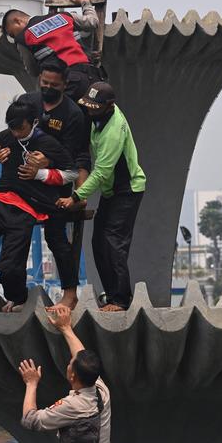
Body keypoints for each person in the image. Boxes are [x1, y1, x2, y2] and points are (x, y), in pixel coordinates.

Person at [0, 98, 77, 312]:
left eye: (20, 128)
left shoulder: (48, 144)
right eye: (11, 128)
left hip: (27, 208)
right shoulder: (4, 138)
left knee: (10, 267)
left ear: (33, 122)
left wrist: (41, 174)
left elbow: (71, 173)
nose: (15, 133)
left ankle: (16, 298)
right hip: (0, 202)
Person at [0, 63, 90, 309]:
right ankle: (15, 294)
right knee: (16, 235)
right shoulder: (28, 102)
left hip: (54, 184)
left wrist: (51, 165)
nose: (48, 88)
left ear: (64, 84)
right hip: (23, 185)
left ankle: (69, 293)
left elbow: (76, 157)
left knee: (56, 237)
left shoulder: (73, 114)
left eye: (54, 85)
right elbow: (11, 133)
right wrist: (2, 154)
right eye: (44, 83)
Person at [57, 82, 146, 312]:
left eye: (95, 107)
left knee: (113, 242)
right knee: (98, 242)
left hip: (127, 190)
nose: (90, 110)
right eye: (89, 105)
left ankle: (121, 300)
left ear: (109, 106)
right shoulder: (99, 117)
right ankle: (111, 294)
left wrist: (75, 197)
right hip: (111, 191)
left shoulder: (113, 130)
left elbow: (101, 172)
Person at [18, 306, 111, 442]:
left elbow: (30, 420)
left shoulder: (72, 406)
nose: (69, 363)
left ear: (72, 375)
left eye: (70, 364)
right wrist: (66, 328)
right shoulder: (101, 391)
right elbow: (80, 355)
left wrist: (31, 384)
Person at [1, 0, 103, 102]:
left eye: (12, 33)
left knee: (62, 116)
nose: (14, 37)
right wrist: (85, 1)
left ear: (17, 20)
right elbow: (93, 22)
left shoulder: (23, 38)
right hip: (92, 76)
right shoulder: (63, 16)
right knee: (97, 112)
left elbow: (33, 71)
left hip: (68, 83)